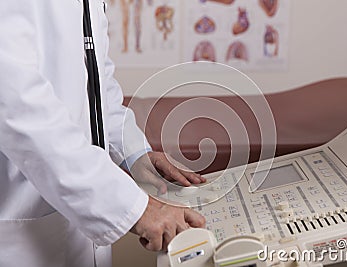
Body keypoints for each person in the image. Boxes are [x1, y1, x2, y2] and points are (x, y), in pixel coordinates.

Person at [0, 1, 205, 267]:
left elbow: (96, 79)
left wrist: (132, 152)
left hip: (70, 235)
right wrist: (133, 207)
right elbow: (17, 107)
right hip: (19, 236)